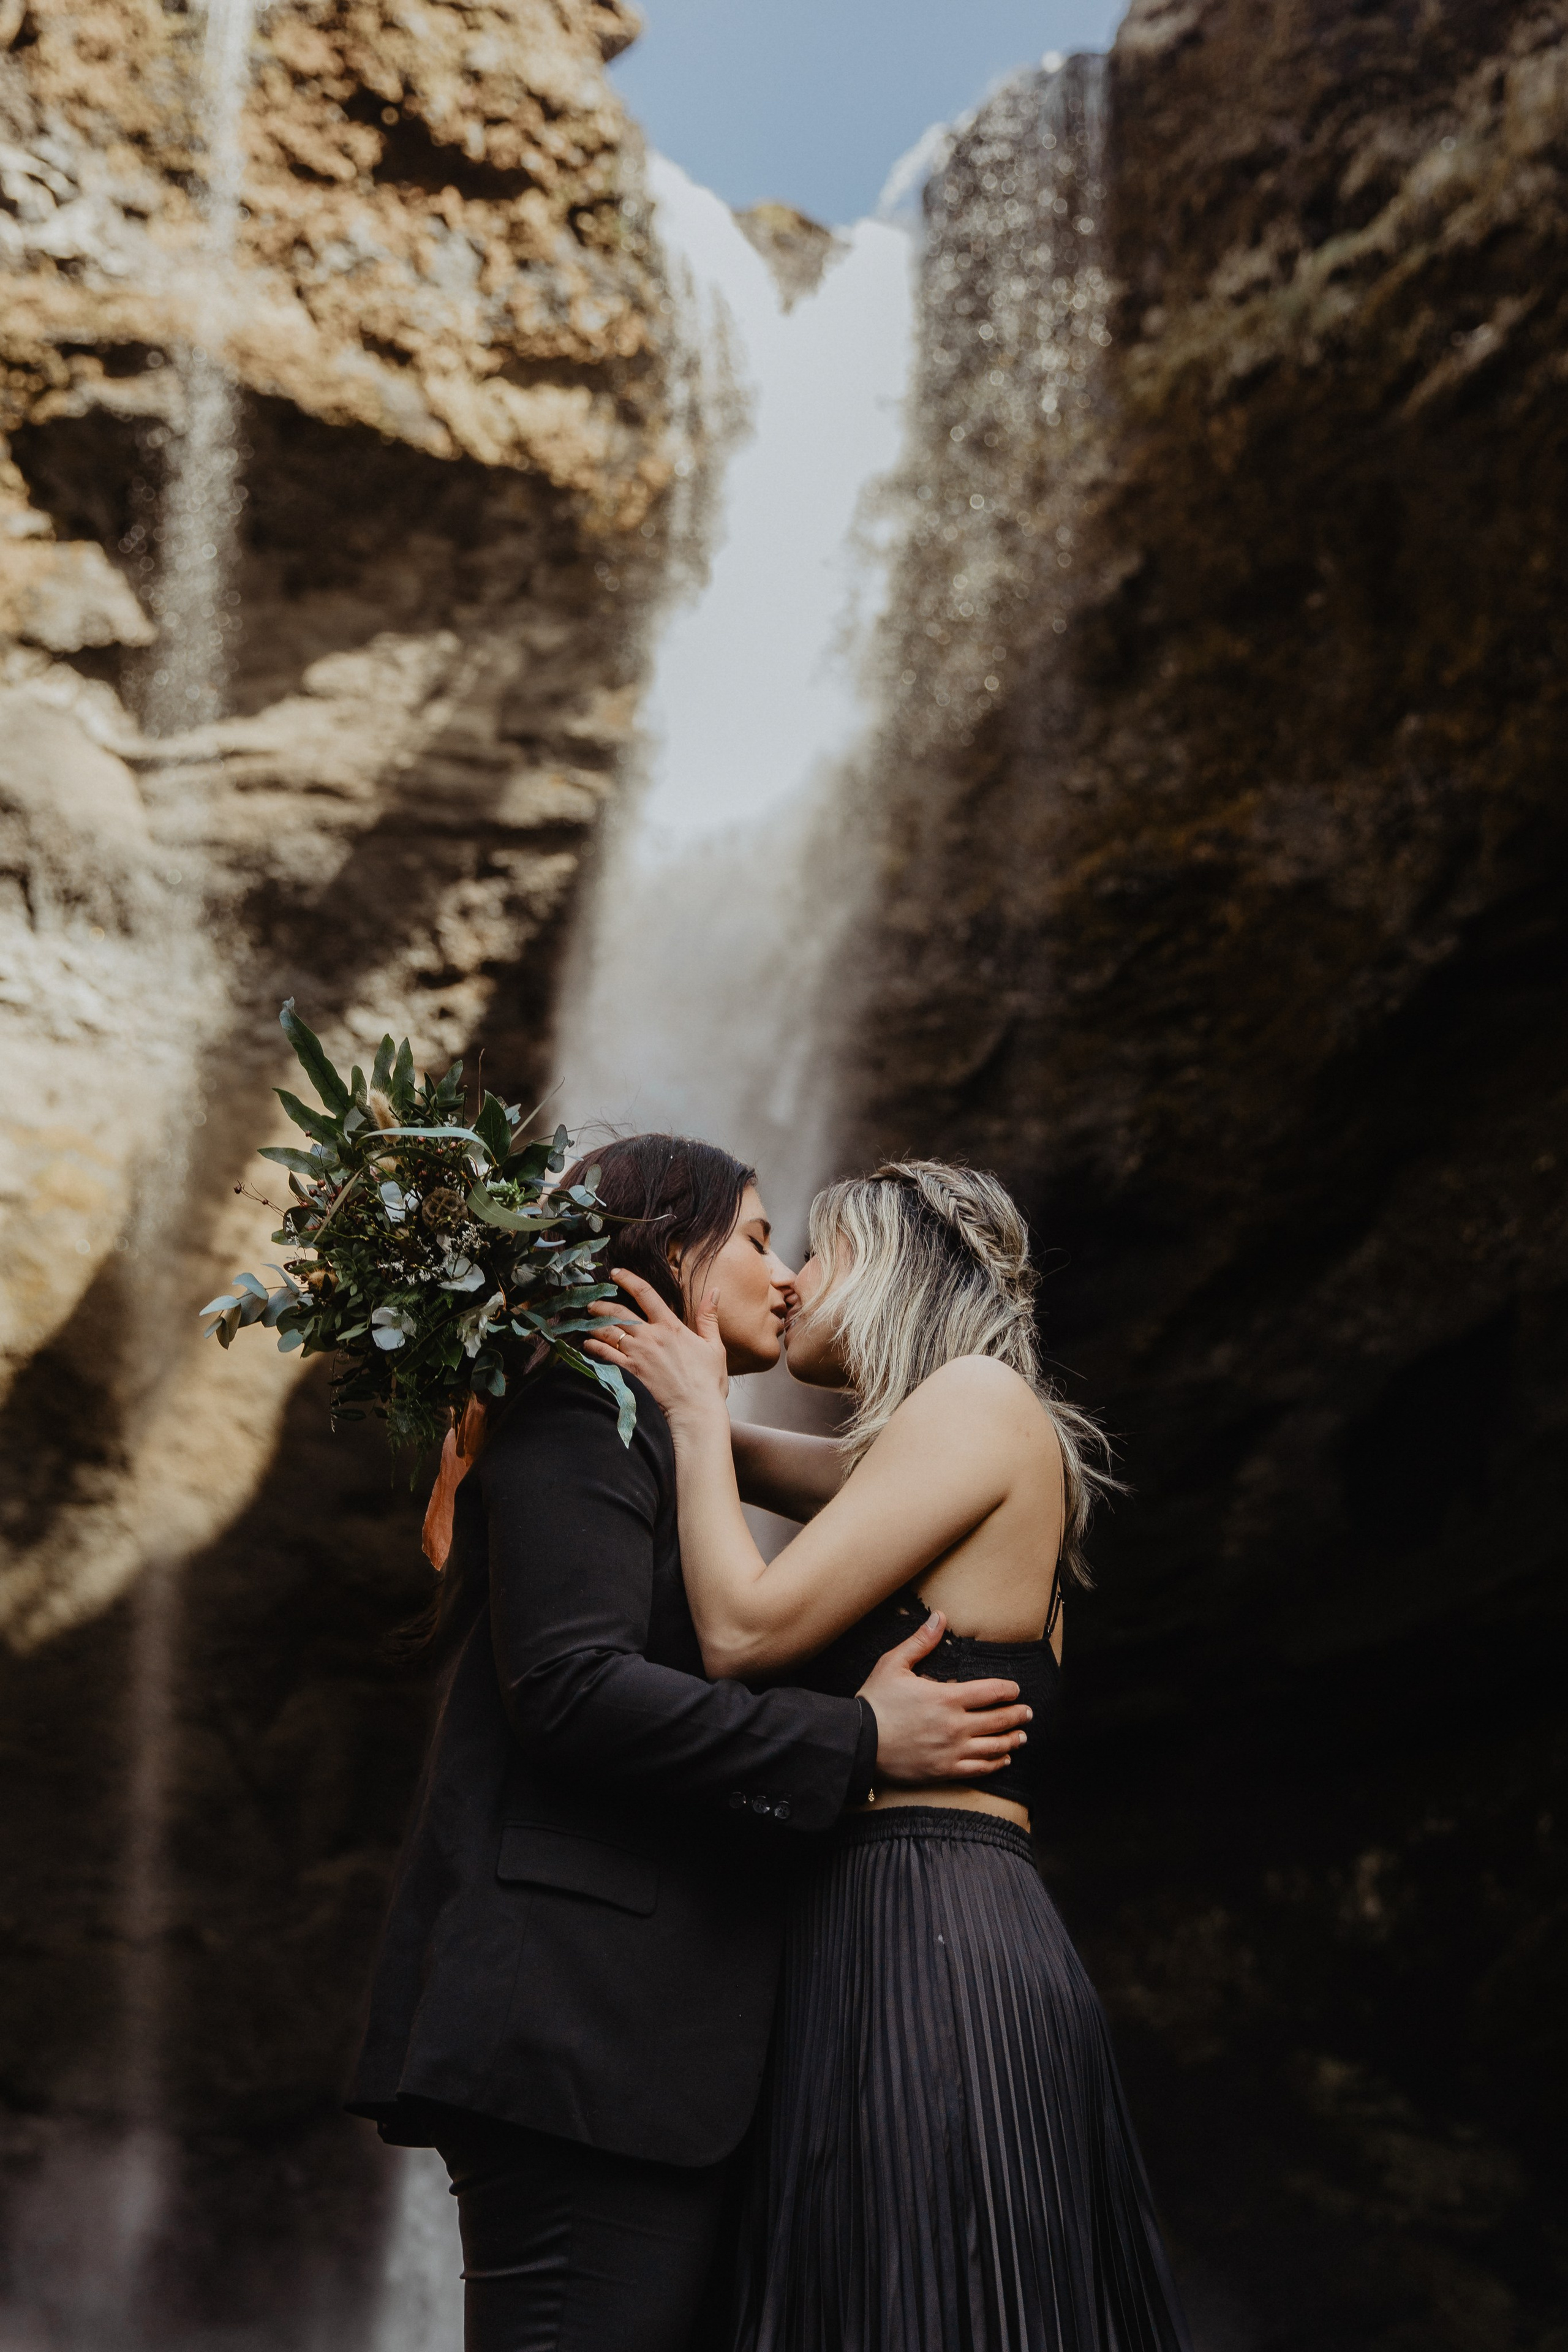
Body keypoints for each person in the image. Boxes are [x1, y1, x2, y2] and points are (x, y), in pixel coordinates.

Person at [347, 1136, 1033, 2352]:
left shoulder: (644, 1432)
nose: (788, 1278)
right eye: (762, 1241)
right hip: (578, 2032)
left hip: (640, 2043)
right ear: (668, 1246)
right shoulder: (580, 1410)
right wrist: (859, 1736)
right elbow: (570, 1689)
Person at [586, 1157, 1194, 2352]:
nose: (794, 1279)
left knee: (934, 2297)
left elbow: (741, 1630)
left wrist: (703, 1409)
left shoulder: (972, 1400)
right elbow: (747, 1459)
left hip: (931, 1922)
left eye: (820, 1251)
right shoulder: (909, 1450)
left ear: (897, 1269)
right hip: (873, 1913)